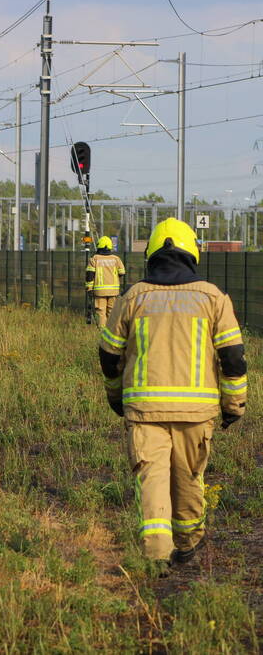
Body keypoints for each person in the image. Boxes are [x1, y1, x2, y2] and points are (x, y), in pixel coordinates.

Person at [99, 218, 247, 577]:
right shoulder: (213, 297)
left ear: (151, 254)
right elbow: (233, 358)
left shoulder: (132, 297)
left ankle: (156, 553)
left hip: (144, 409)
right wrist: (233, 407)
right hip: (196, 412)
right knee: (189, 478)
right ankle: (190, 543)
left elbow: (108, 355)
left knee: (150, 478)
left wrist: (115, 396)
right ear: (191, 252)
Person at [86, 236, 127, 327]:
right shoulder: (116, 259)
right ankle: (112, 331)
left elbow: (89, 275)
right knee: (112, 312)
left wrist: (89, 288)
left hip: (99, 291)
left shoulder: (94, 259)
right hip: (113, 291)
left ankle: (102, 332)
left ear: (99, 246)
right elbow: (122, 272)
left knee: (101, 312)